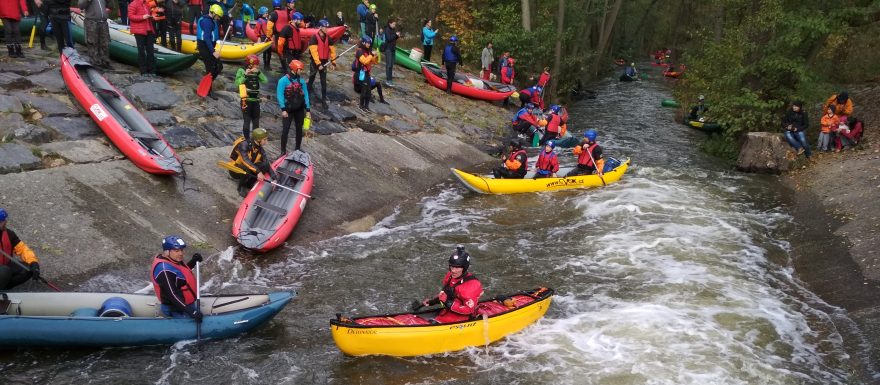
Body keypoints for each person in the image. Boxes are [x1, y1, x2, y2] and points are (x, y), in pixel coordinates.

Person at [415, 246, 483, 324]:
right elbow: (446, 293)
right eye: (452, 267)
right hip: (448, 310)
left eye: (457, 268)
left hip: (462, 316)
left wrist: (447, 302)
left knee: (434, 323)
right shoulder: (450, 276)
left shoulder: (472, 285)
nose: (453, 270)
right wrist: (432, 301)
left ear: (464, 268)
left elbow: (468, 310)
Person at [150, 236, 203, 320]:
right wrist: (191, 312)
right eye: (176, 251)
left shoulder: (173, 259)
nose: (181, 253)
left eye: (181, 250)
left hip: (186, 304)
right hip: (177, 309)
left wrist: (193, 261)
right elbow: (172, 295)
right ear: (167, 252)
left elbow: (180, 274)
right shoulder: (164, 270)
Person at [0, 208, 41, 290]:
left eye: (4, 220)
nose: (5, 222)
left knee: (29, 269)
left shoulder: (8, 234)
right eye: (3, 221)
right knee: (4, 271)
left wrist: (33, 262)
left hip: (6, 265)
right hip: (3, 269)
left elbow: (22, 249)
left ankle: (5, 287)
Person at [229, 128, 276, 196]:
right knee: (247, 168)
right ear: (258, 140)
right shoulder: (243, 145)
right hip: (235, 170)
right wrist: (258, 172)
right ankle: (241, 187)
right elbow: (245, 160)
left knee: (264, 165)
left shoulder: (260, 149)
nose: (266, 142)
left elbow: (267, 164)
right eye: (265, 139)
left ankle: (250, 183)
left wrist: (274, 178)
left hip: (248, 168)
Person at [277, 59, 311, 154]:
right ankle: (283, 151)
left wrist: (308, 110)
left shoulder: (301, 81)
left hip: (299, 109)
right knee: (285, 130)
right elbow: (279, 95)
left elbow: (306, 95)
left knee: (299, 129)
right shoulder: (283, 80)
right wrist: (283, 109)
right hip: (288, 110)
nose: (301, 71)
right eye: (300, 69)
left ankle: (297, 148)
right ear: (295, 69)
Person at [305, 19, 337, 109]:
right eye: (325, 27)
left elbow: (333, 51)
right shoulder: (314, 38)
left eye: (327, 27)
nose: (327, 29)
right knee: (311, 79)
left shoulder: (328, 38)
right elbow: (314, 53)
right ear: (320, 27)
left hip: (324, 62)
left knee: (323, 82)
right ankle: (306, 99)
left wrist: (333, 62)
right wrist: (318, 64)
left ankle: (323, 100)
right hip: (315, 63)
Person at [235, 55, 267, 140]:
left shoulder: (257, 72)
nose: (258, 66)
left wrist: (259, 72)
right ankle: (247, 140)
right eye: (256, 64)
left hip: (256, 100)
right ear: (250, 64)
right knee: (247, 121)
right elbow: (237, 83)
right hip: (246, 100)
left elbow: (265, 81)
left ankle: (255, 140)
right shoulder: (241, 70)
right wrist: (245, 75)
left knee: (256, 122)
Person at [77, 0, 110, 67]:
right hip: (91, 22)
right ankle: (95, 62)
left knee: (105, 43)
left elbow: (111, 6)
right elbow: (81, 6)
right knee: (92, 42)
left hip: (103, 22)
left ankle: (104, 62)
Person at [197, 4, 224, 87]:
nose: (218, 18)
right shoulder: (207, 22)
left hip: (208, 46)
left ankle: (206, 84)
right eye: (218, 16)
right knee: (210, 69)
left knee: (219, 66)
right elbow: (206, 38)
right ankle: (208, 89)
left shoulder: (210, 20)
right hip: (204, 46)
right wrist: (213, 52)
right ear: (213, 13)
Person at [129, 0, 157, 76]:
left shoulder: (147, 4)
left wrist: (152, 17)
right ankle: (143, 71)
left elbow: (149, 15)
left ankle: (152, 71)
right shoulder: (133, 4)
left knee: (150, 51)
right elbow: (131, 16)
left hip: (149, 30)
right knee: (141, 51)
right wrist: (142, 17)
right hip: (139, 31)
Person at [354, 36, 378, 111]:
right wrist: (371, 55)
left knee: (368, 90)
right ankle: (361, 106)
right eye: (368, 43)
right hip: (361, 73)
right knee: (364, 90)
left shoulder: (368, 51)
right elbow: (364, 61)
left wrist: (376, 57)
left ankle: (366, 106)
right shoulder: (359, 51)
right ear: (363, 42)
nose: (369, 44)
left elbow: (374, 62)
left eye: (370, 43)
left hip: (367, 73)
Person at [267, 0, 290, 72]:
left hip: (279, 35)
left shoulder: (273, 14)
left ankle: (285, 68)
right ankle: (286, 66)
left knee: (280, 51)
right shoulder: (285, 13)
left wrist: (268, 36)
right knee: (285, 51)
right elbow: (289, 22)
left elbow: (269, 26)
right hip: (286, 34)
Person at [382, 17, 400, 86]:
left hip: (393, 49)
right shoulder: (387, 29)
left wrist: (397, 36)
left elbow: (394, 38)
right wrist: (395, 35)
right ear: (390, 24)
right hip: (388, 49)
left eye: (395, 24)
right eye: (393, 24)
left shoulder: (393, 29)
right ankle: (388, 80)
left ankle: (390, 79)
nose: (394, 25)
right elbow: (389, 38)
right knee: (388, 65)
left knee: (391, 65)